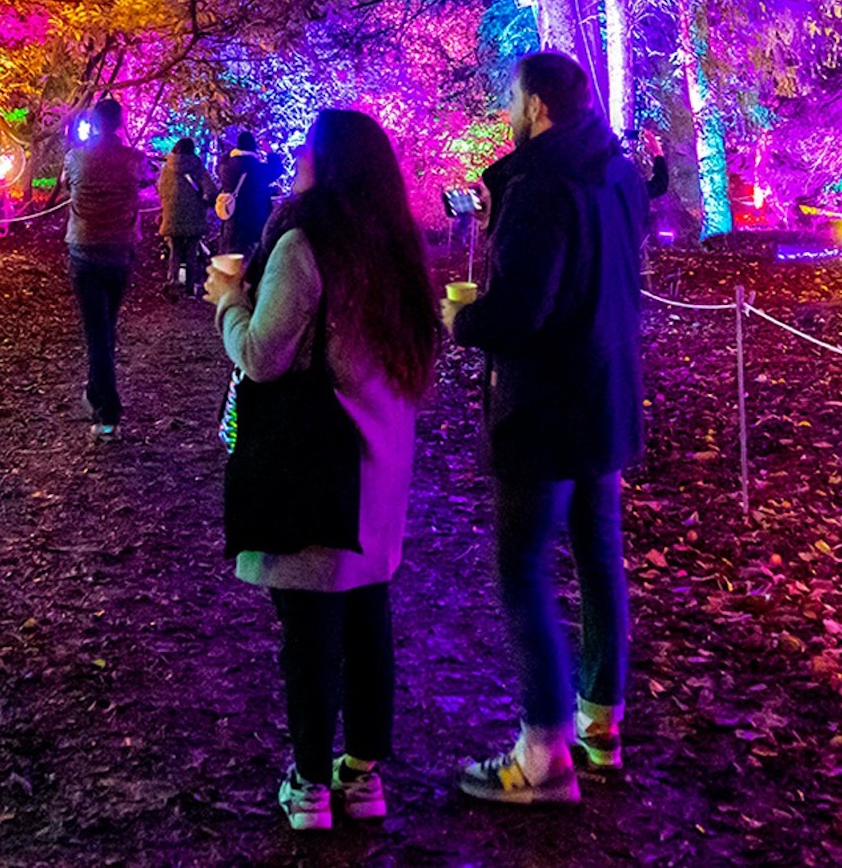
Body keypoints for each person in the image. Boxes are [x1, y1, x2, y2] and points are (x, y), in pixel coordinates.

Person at [205, 109, 439, 831]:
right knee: (370, 617)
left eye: (308, 148)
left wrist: (227, 306)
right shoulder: (398, 247)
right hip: (382, 457)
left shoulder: (306, 245)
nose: (297, 158)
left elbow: (263, 355)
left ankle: (308, 785)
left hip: (317, 463)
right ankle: (364, 776)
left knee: (309, 631)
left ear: (326, 163)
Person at [442, 52, 648, 806]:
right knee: (599, 555)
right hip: (608, 389)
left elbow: (523, 308)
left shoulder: (539, 185)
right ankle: (602, 719)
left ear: (535, 105)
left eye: (511, 100)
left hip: (546, 403)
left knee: (523, 566)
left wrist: (465, 319)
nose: (507, 111)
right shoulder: (619, 175)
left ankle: (542, 750)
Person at [60, 96, 148, 439]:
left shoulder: (76, 158)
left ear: (93, 123)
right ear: (121, 123)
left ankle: (106, 408)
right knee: (105, 327)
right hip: (119, 250)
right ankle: (100, 397)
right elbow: (147, 181)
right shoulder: (133, 160)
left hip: (83, 249)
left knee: (99, 331)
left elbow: (68, 185)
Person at [157, 137, 213, 296]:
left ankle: (173, 282)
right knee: (191, 252)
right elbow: (210, 190)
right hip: (194, 216)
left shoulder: (167, 168)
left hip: (172, 215)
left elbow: (160, 188)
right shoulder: (197, 168)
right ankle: (190, 288)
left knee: (174, 251)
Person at [216, 130, 273, 259]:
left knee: (231, 261)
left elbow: (219, 165)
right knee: (251, 261)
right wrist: (269, 152)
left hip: (232, 218)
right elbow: (276, 169)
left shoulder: (225, 166)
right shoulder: (259, 169)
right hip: (255, 220)